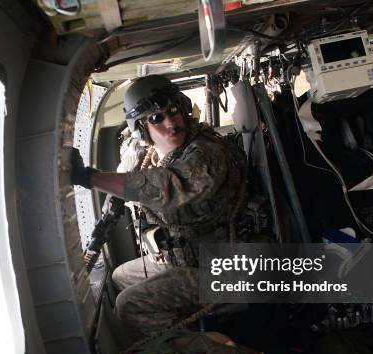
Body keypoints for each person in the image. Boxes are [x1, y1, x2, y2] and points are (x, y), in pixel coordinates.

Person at [71, 75, 249, 339]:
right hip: (193, 257)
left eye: (173, 111)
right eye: (156, 118)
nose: (170, 122)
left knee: (129, 305)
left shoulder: (207, 152)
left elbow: (173, 187)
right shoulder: (160, 155)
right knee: (120, 276)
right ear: (141, 128)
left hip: (228, 267)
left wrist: (91, 178)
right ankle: (188, 332)